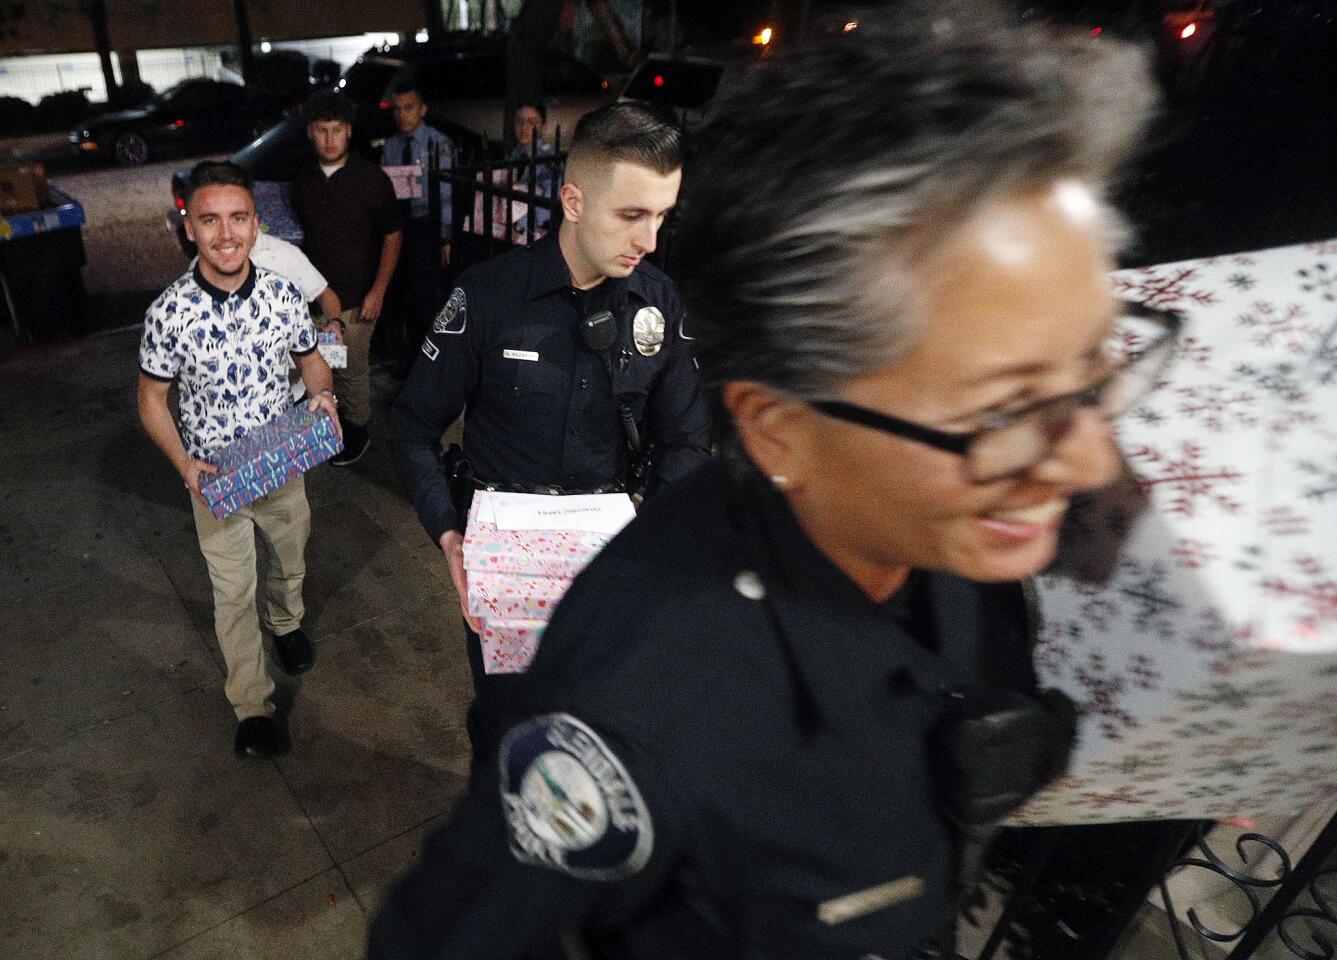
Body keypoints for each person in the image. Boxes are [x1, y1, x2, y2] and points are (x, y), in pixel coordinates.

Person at [367, 5, 1161, 958]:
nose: (1079, 462)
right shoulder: (649, 718)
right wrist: (454, 534)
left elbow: (688, 441)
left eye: (1093, 370)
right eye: (1000, 409)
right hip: (512, 581)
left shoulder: (971, 544)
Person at [389, 100, 712, 755]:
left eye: (660, 217)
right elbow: (413, 427)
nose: (649, 240)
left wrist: (645, 518)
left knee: (595, 730)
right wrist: (449, 535)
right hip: (505, 566)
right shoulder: (486, 298)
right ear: (571, 200)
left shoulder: (658, 302)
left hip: (608, 565)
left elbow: (687, 439)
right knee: (509, 727)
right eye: (630, 215)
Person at [137, 161, 341, 759]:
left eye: (238, 218)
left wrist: (323, 393)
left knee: (288, 555)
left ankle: (286, 622)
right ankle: (251, 704)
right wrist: (184, 465)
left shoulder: (282, 296)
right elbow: (150, 400)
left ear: (256, 225)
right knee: (231, 592)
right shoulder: (168, 312)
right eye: (210, 220)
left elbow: (311, 358)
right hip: (214, 479)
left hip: (281, 461)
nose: (225, 233)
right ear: (190, 228)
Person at [291, 90, 402, 466]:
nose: (329, 139)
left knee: (352, 372)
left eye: (336, 130)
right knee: (315, 370)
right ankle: (324, 432)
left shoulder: (372, 179)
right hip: (310, 300)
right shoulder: (301, 179)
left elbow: (392, 235)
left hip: (357, 299)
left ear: (349, 132)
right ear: (310, 132)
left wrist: (379, 290)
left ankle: (356, 434)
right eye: (321, 130)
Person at [381, 78, 454, 366]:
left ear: (422, 109)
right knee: (403, 295)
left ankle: (429, 359)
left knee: (427, 296)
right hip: (400, 226)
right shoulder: (391, 146)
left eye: (409, 108)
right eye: (397, 109)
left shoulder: (438, 144)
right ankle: (409, 357)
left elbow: (446, 194)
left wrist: (446, 237)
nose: (403, 115)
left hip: (427, 225)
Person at [507, 99, 557, 244]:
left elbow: (548, 202)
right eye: (519, 121)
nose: (524, 127)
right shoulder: (514, 154)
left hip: (534, 234)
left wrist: (521, 227)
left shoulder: (548, 158)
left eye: (532, 122)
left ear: (543, 126)